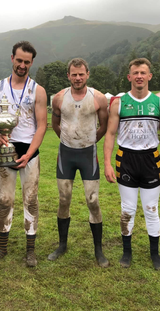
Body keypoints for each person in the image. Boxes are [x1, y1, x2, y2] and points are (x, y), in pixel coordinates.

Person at [104, 58, 160, 270]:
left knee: (151, 209)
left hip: (150, 159)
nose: (139, 76)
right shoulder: (119, 102)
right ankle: (127, 252)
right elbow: (110, 133)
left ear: (149, 76)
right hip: (126, 159)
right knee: (128, 209)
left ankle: (155, 254)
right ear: (129, 77)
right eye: (135, 73)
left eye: (143, 73)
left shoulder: (159, 103)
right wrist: (107, 163)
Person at [0, 41, 47, 267]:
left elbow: (41, 126)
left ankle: (30, 251)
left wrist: (29, 154)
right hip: (5, 149)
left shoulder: (37, 90)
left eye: (26, 62)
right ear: (12, 58)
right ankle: (2, 248)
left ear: (31, 63)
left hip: (29, 150)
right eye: (19, 60)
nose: (22, 65)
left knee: (31, 200)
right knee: (4, 200)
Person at [48, 58, 110, 268]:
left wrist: (89, 142)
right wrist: (67, 141)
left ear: (87, 74)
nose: (77, 78)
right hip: (66, 154)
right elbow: (55, 124)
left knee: (93, 200)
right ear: (68, 76)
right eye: (74, 74)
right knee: (64, 199)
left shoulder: (99, 98)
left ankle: (98, 250)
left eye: (81, 74)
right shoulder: (58, 98)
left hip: (88, 154)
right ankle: (62, 245)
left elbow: (104, 125)